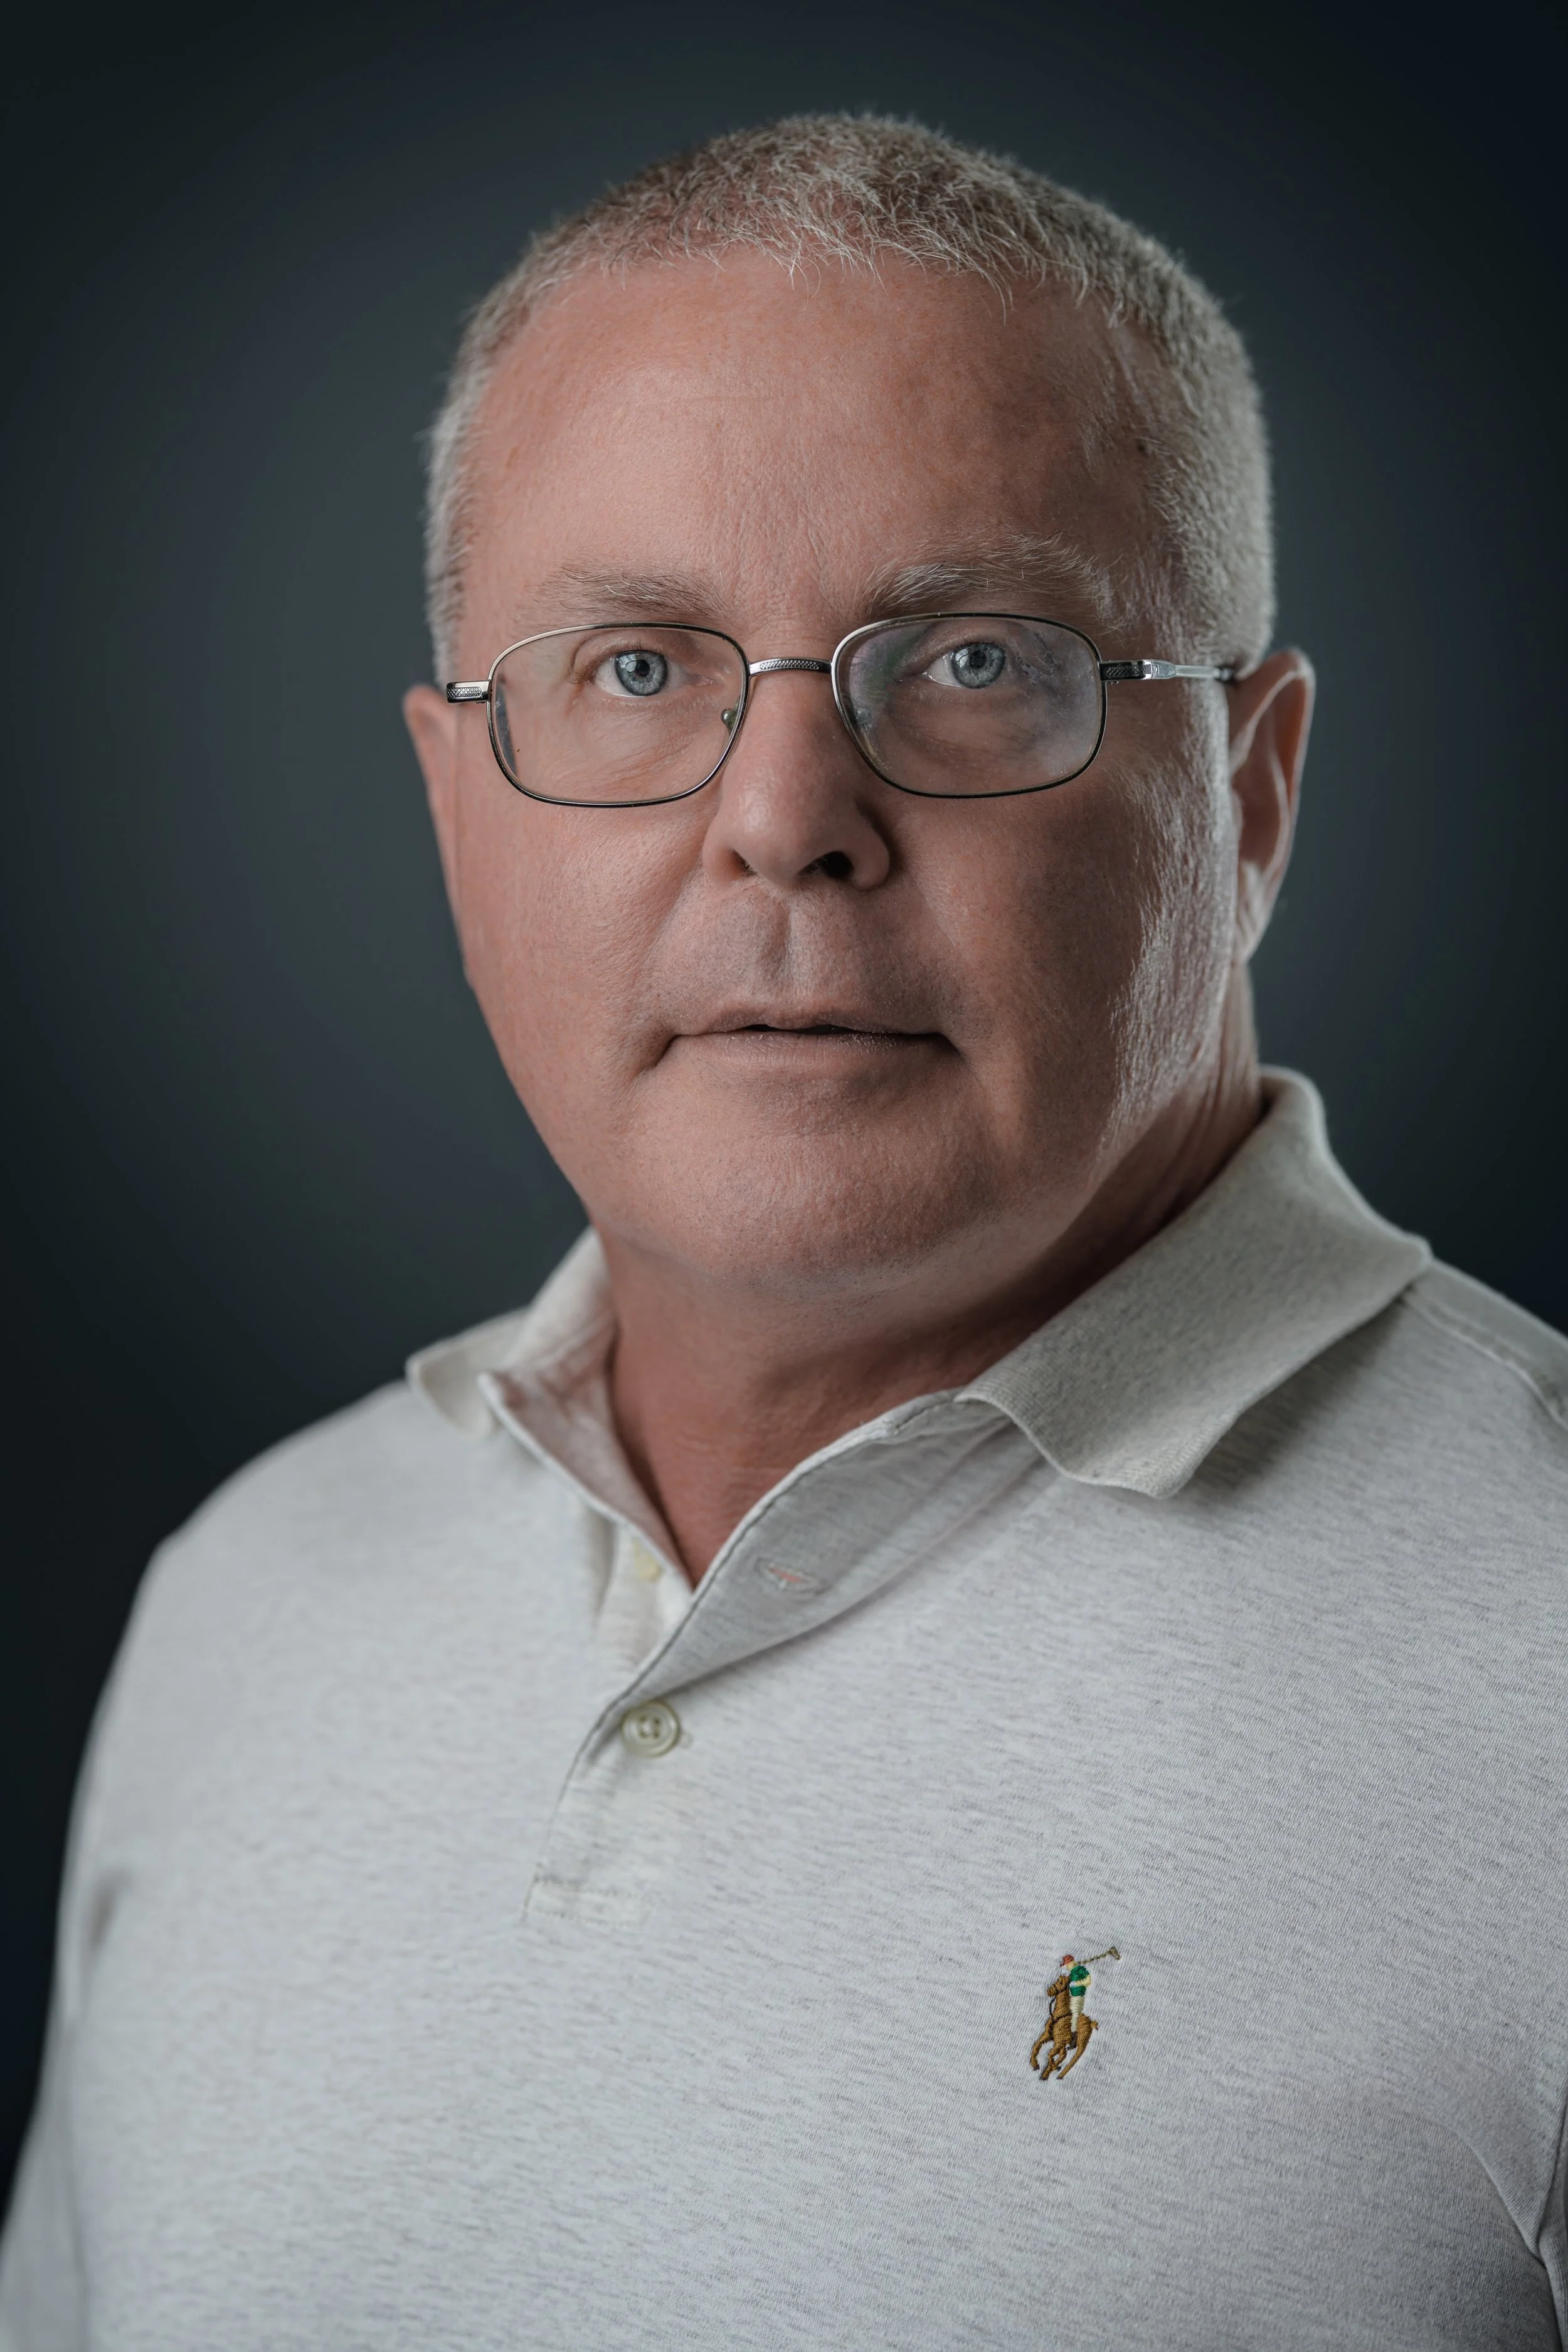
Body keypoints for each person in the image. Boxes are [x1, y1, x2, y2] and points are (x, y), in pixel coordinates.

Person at [3, 112, 1565, 2351]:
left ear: (1246, 794)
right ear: (455, 806)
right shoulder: (249, 1605)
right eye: (635, 668)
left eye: (967, 659)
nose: (782, 826)